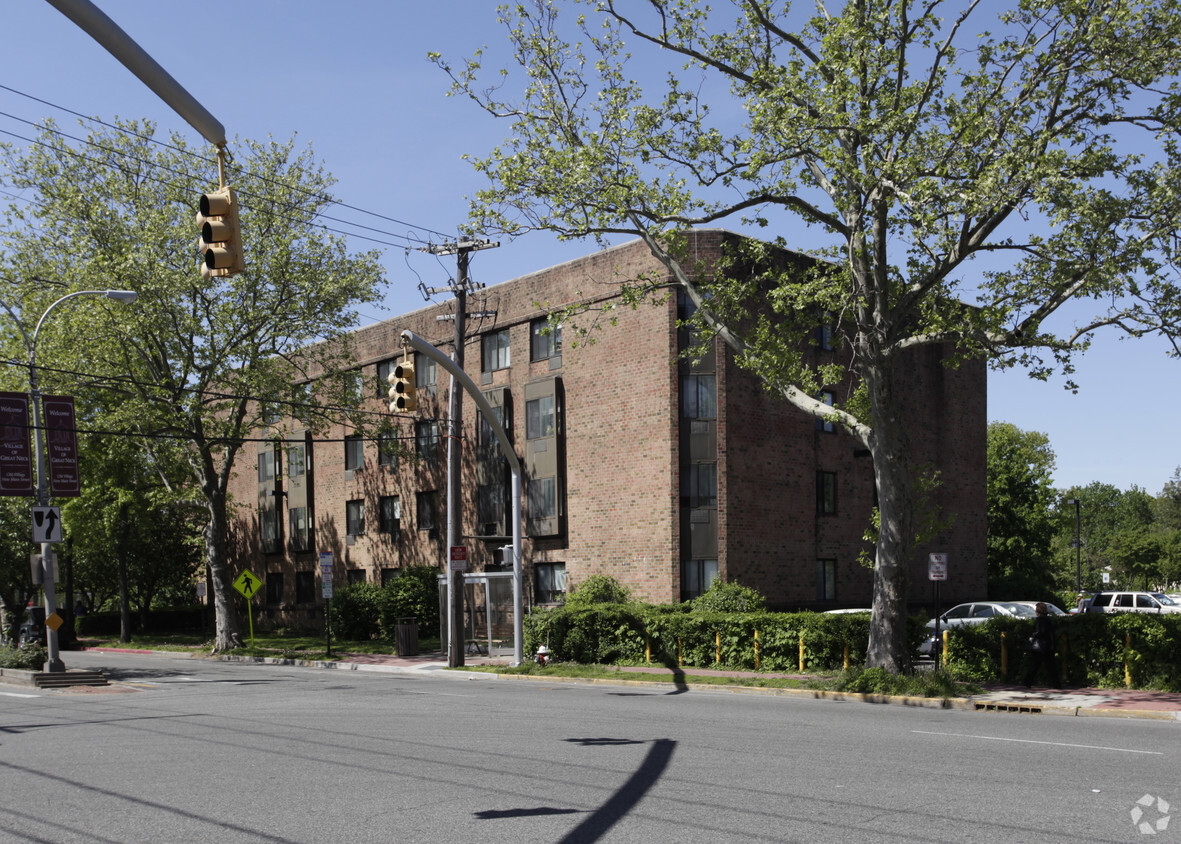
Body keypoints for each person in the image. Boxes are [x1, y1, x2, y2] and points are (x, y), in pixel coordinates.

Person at [1024, 602, 1060, 688]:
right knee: (1051, 666)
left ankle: (1028, 682)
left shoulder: (1040, 619)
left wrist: (1034, 635)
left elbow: (1041, 632)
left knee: (1035, 665)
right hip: (1048, 645)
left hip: (1041, 646)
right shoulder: (1048, 619)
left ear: (1038, 610)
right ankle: (1057, 684)